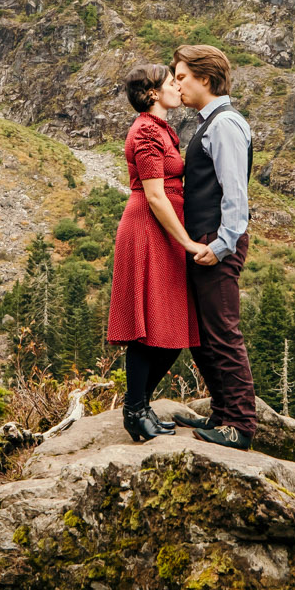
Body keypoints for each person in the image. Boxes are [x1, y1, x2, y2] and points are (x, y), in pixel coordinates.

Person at [106, 62, 209, 442]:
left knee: (169, 327)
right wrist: (186, 242)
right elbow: (154, 194)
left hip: (161, 229)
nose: (178, 88)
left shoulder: (162, 129)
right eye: (171, 83)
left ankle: (139, 407)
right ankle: (135, 411)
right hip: (150, 229)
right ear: (152, 94)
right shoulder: (148, 130)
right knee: (147, 327)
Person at [168, 44, 257, 450]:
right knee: (201, 335)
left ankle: (240, 424)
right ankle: (223, 413)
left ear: (205, 78)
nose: (176, 83)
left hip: (215, 241)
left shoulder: (224, 124)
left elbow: (235, 195)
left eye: (182, 76)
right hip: (205, 240)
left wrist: (221, 245)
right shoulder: (210, 123)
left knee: (222, 332)